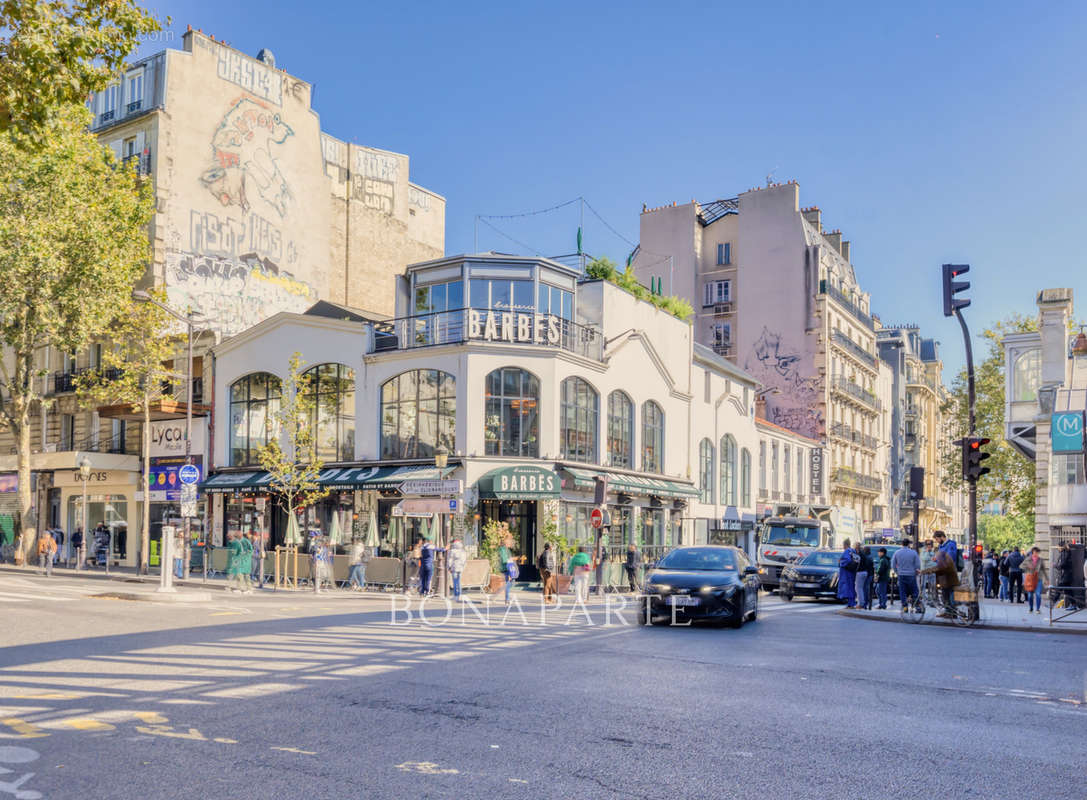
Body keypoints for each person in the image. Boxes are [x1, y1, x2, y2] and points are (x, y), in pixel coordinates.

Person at [920, 546, 958, 614]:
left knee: (946, 597)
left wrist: (924, 571)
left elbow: (938, 568)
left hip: (948, 581)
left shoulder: (941, 557)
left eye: (935, 555)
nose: (935, 557)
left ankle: (950, 612)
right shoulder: (944, 557)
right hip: (949, 581)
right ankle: (949, 612)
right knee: (946, 597)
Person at [891, 539, 921, 609]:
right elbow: (918, 565)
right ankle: (917, 607)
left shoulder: (897, 553)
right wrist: (916, 572)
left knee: (902, 591)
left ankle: (905, 607)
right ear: (908, 544)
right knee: (914, 591)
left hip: (901, 575)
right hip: (911, 574)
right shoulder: (913, 553)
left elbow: (893, 564)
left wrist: (897, 572)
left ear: (902, 544)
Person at [1021, 546, 1048, 614]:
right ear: (1032, 552)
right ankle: (1031, 608)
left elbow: (1044, 570)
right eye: (1035, 552)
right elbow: (1021, 566)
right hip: (1030, 579)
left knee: (1038, 594)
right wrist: (1028, 567)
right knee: (1030, 595)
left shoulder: (1040, 560)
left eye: (1037, 552)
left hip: (1038, 579)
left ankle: (1038, 609)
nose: (1036, 553)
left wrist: (1047, 579)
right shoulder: (1028, 559)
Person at [837, 539, 858, 608]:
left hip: (846, 573)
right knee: (851, 587)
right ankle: (851, 602)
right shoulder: (853, 550)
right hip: (852, 572)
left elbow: (847, 560)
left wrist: (840, 562)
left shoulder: (847, 551)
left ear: (845, 545)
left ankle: (851, 603)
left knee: (848, 587)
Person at [497, 535, 517, 605]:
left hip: (509, 567)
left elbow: (509, 558)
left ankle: (506, 597)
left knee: (511, 581)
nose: (511, 544)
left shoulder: (507, 549)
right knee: (508, 582)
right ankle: (507, 599)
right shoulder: (502, 549)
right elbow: (505, 560)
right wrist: (514, 559)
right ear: (506, 542)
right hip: (505, 567)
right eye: (510, 542)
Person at [855, 545, 872, 610]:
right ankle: (862, 603)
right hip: (865, 572)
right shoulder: (865, 555)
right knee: (861, 588)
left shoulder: (860, 555)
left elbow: (857, 563)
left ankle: (861, 604)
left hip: (860, 572)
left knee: (859, 588)